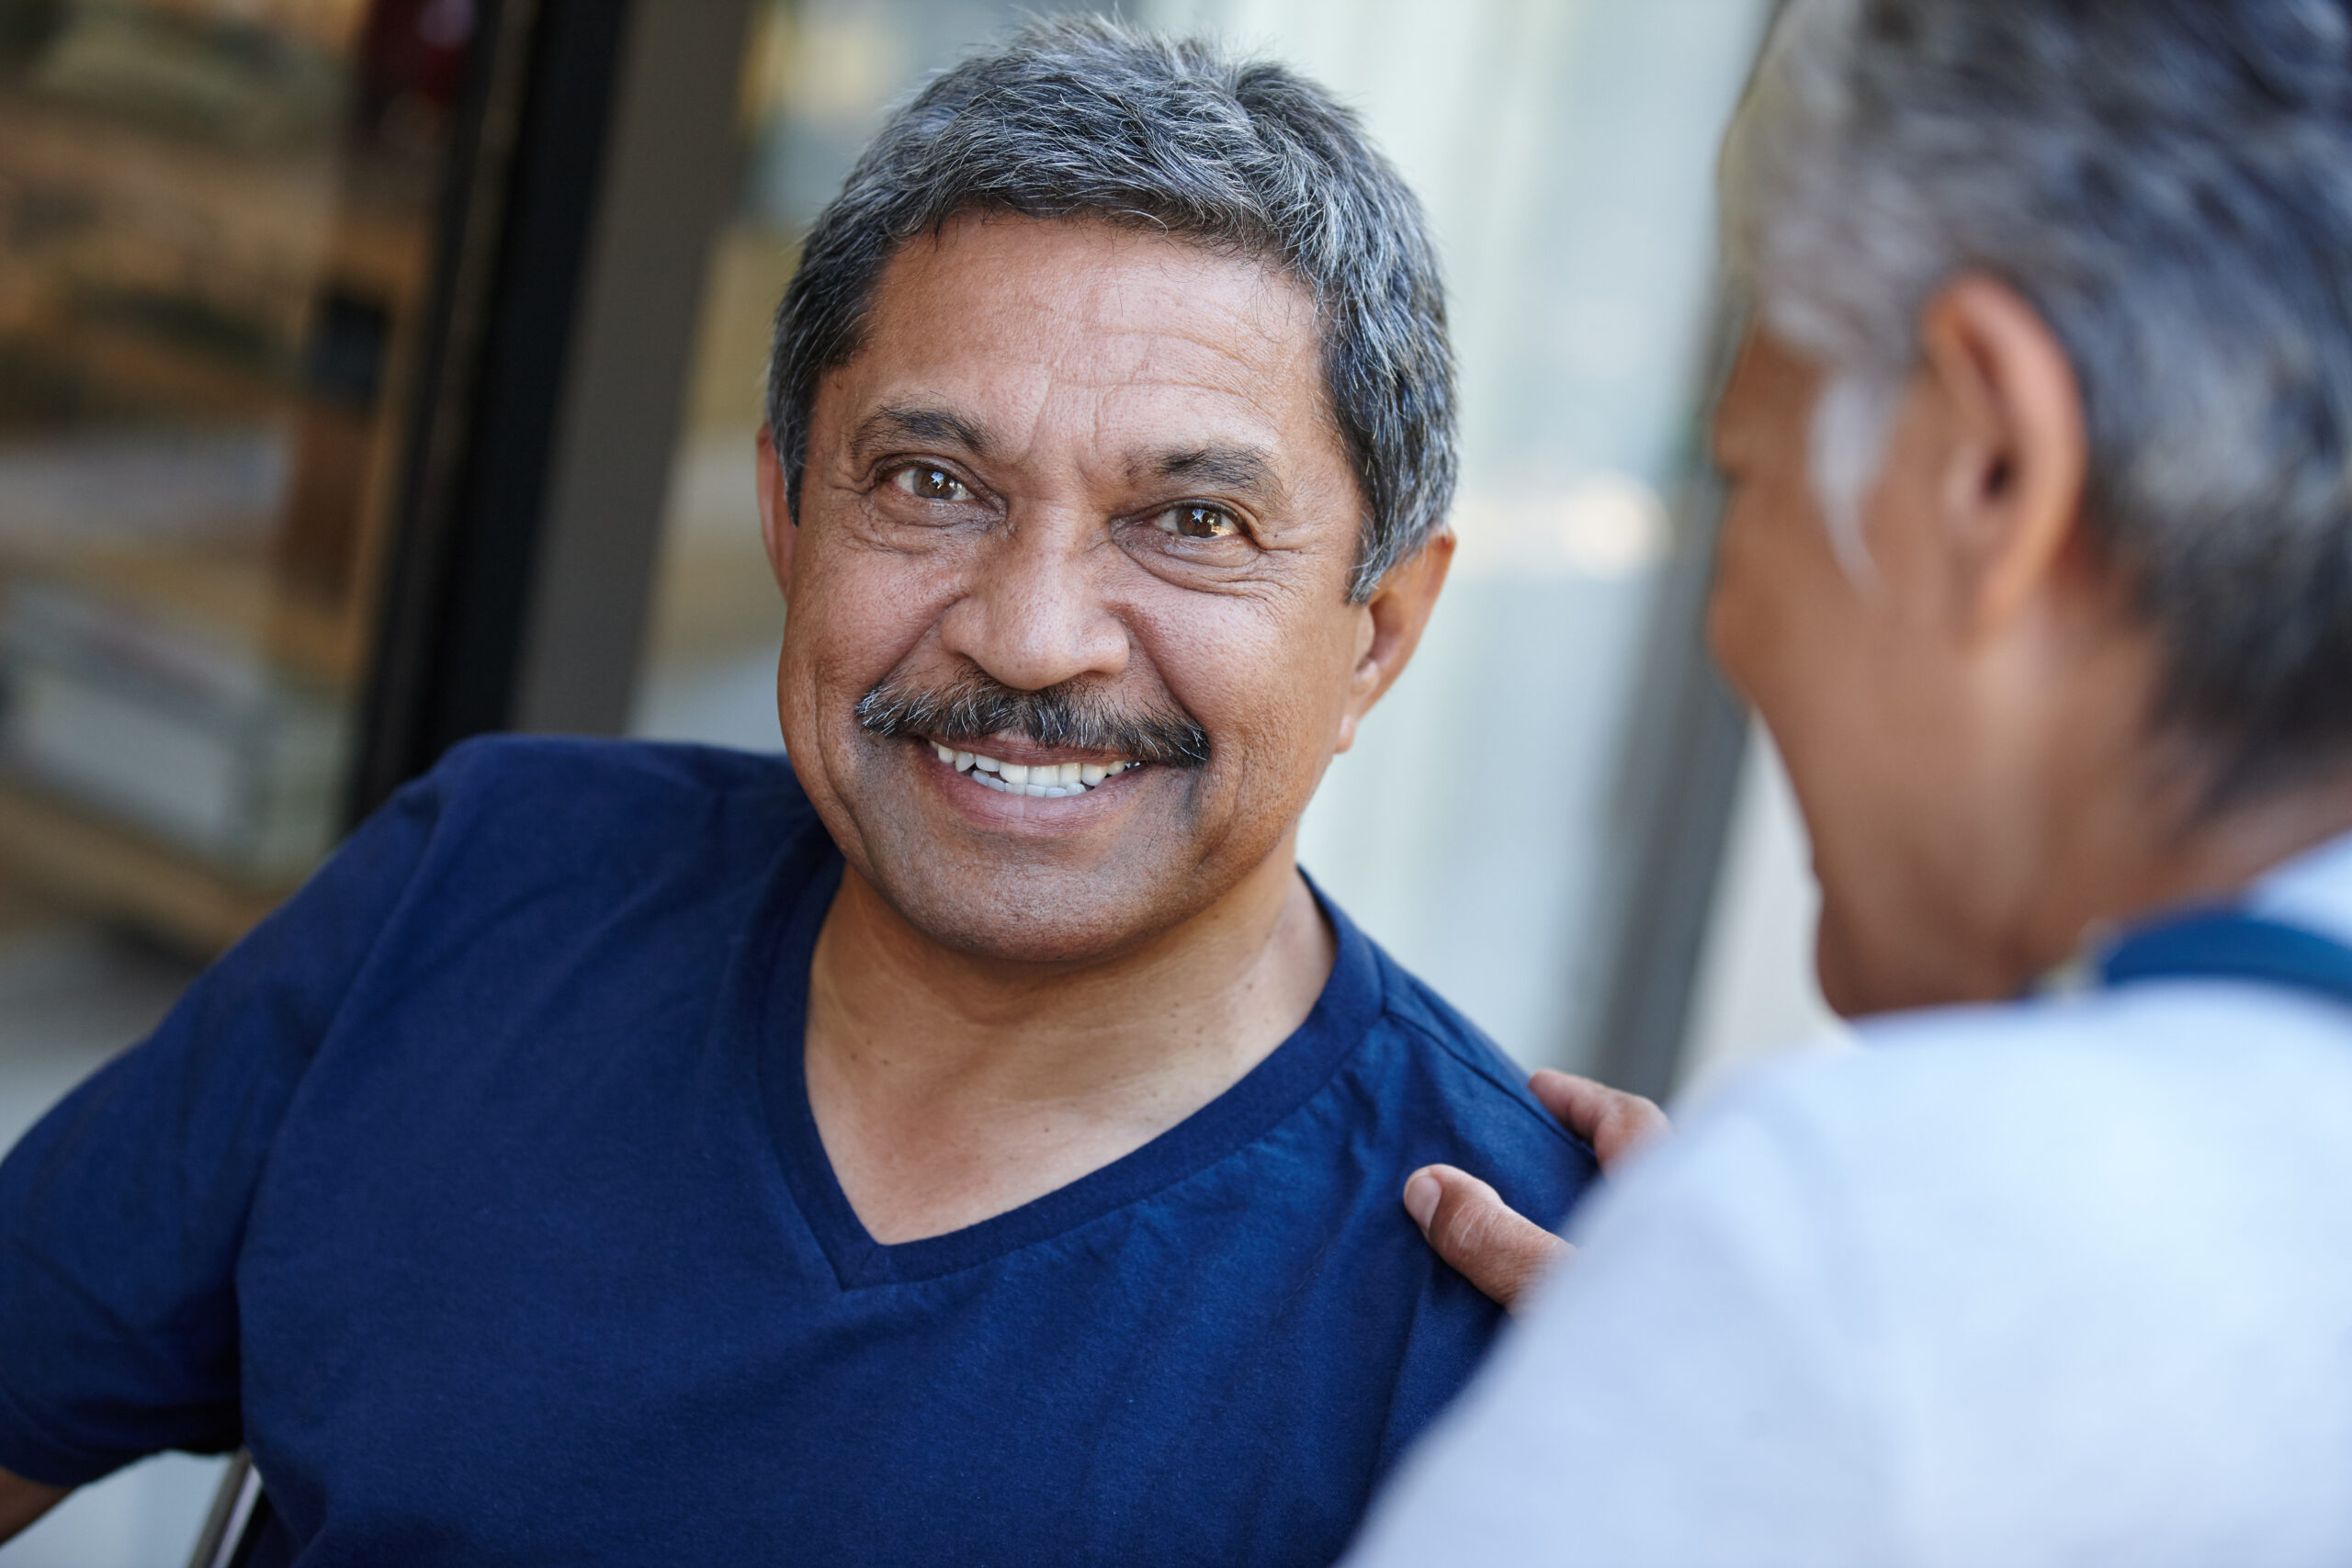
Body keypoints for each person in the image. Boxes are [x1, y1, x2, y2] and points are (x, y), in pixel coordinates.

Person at [0, 21, 1601, 1565]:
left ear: (1380, 629)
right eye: (932, 486)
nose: (1032, 637)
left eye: (1190, 522)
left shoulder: (1531, 1315)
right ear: (785, 514)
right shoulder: (489, 885)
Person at [1359, 0, 2352, 1561]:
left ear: (1986, 467)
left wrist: (1760, 1356)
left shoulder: (1861, 1263)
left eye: (1743, 474)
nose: (1725, 620)